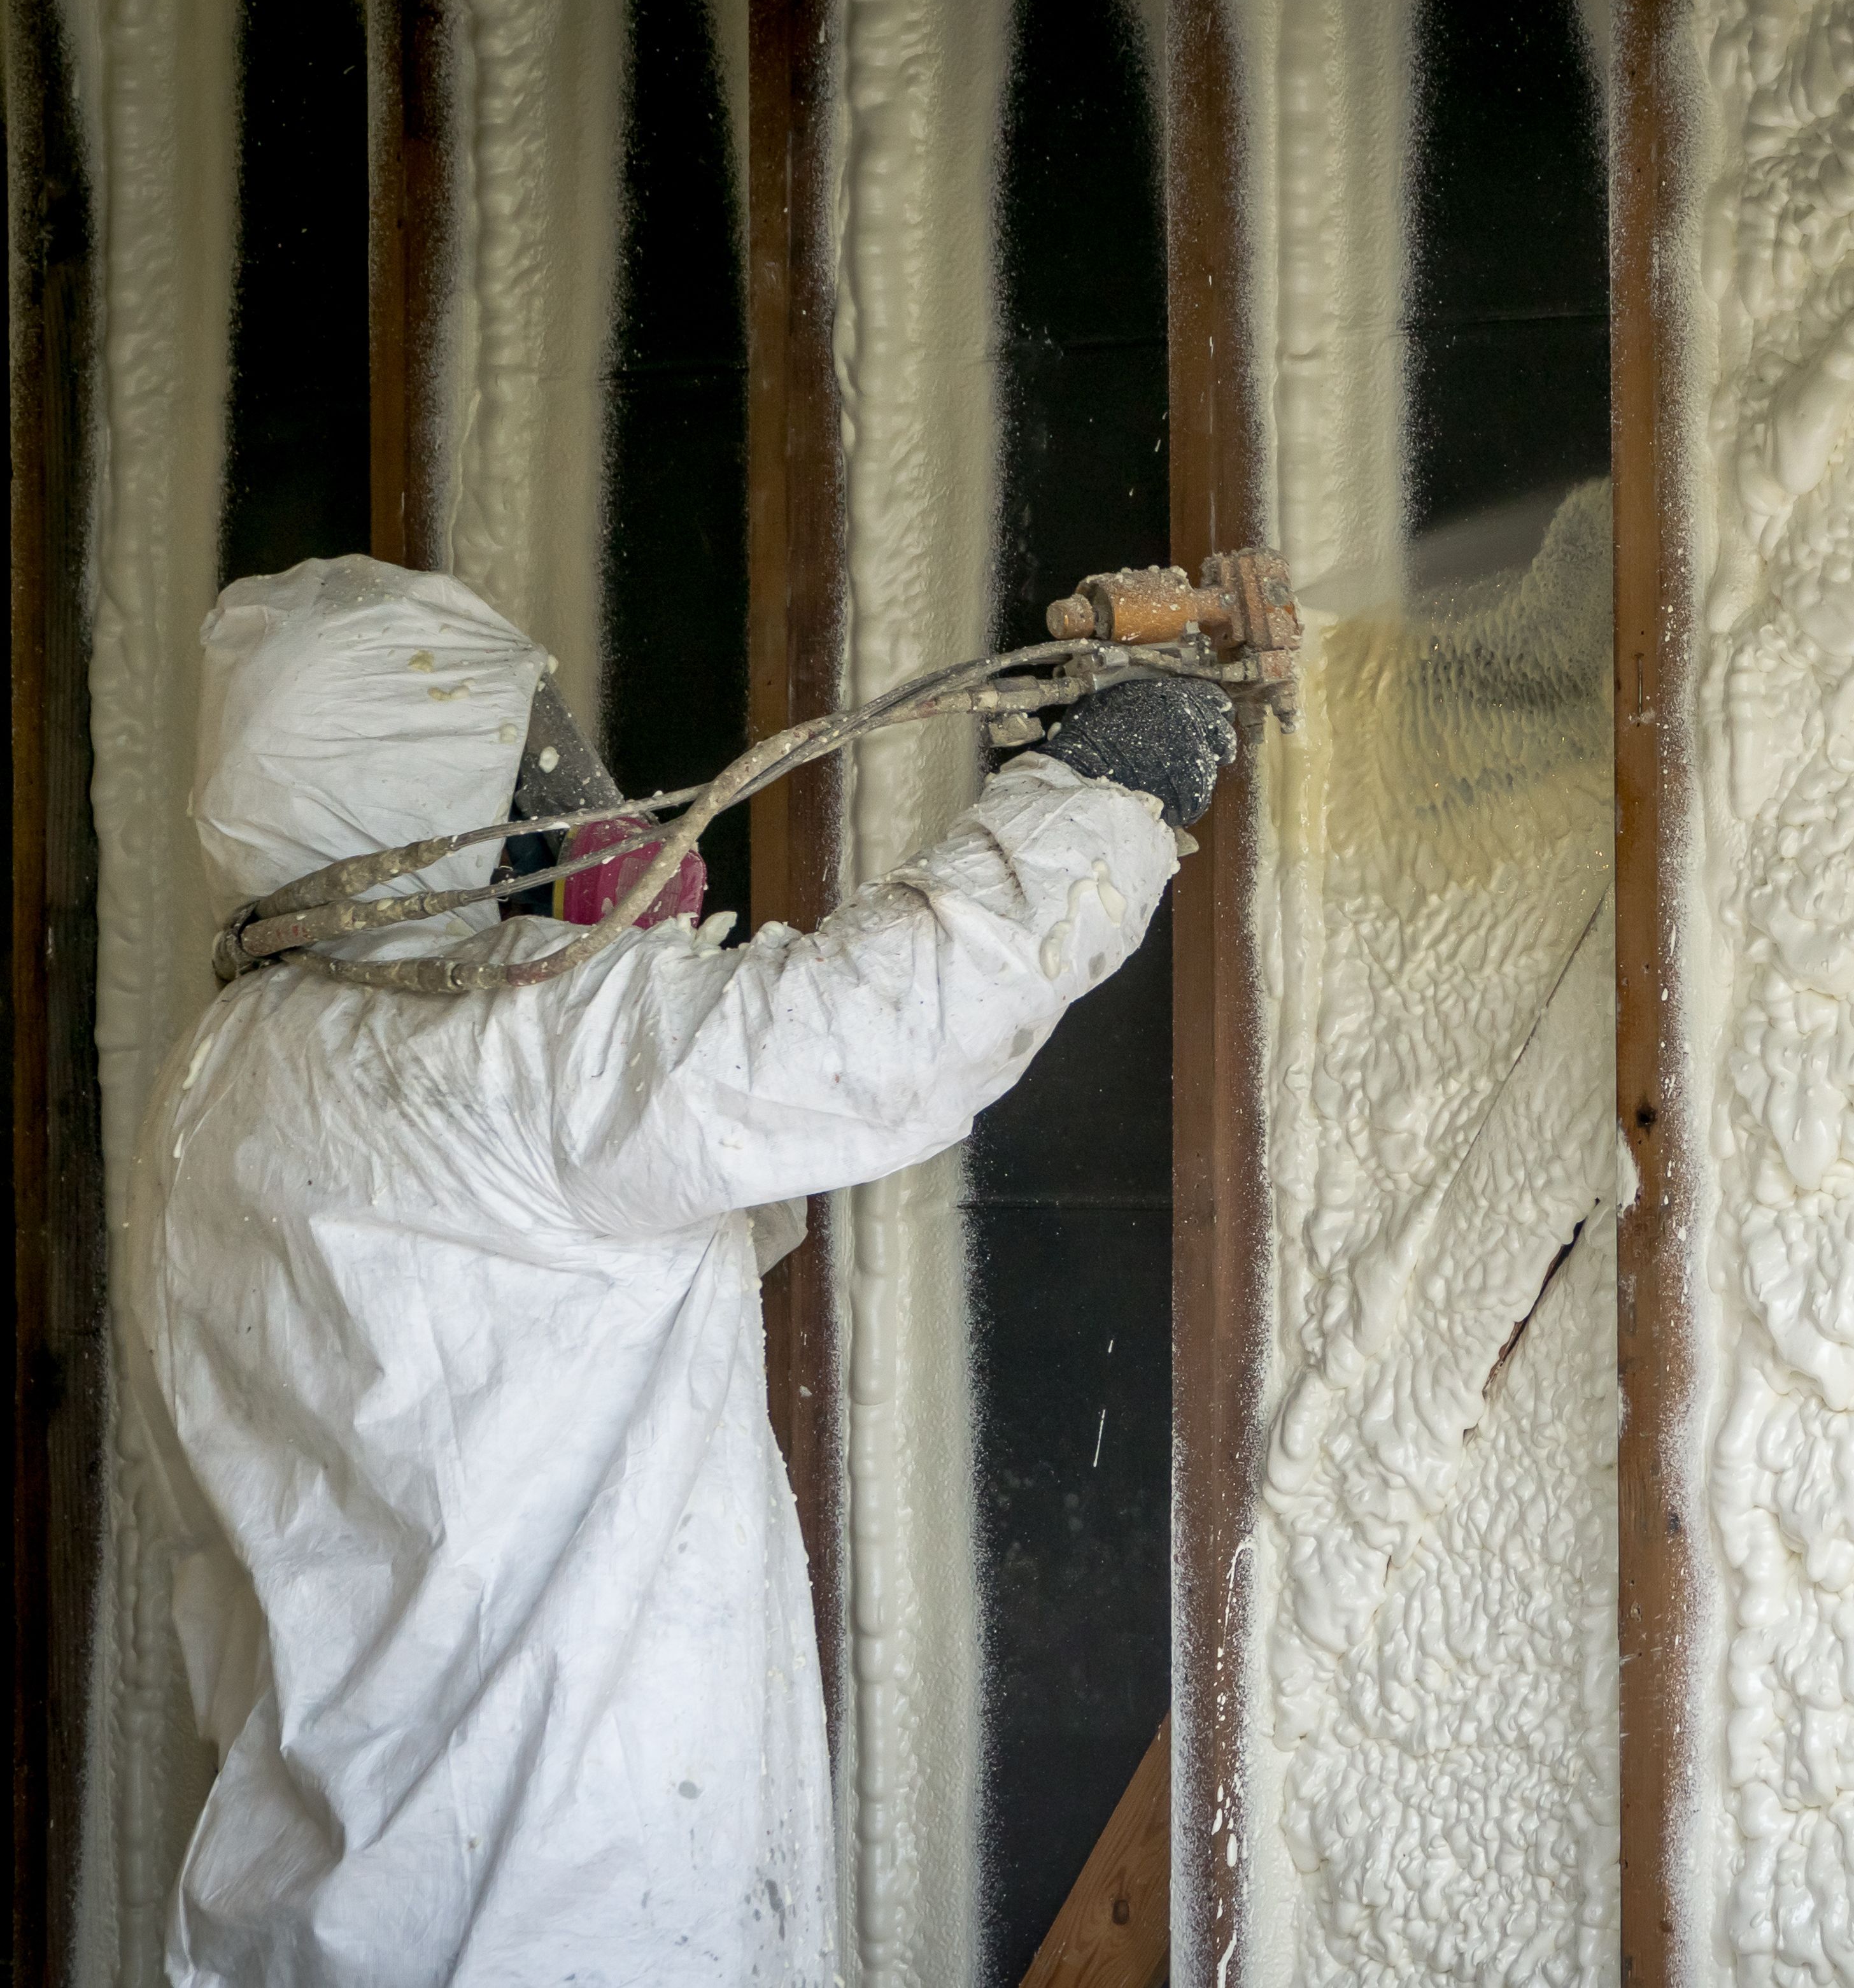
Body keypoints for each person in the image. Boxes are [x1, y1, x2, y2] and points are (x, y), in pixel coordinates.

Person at [123, 556, 1235, 1987]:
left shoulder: (212, 1084)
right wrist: (1112, 780)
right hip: (560, 1918)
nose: (582, 807)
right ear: (417, 787)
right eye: (534, 765)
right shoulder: (512, 1046)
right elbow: (871, 1030)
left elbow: (626, 1234)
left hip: (309, 1917)